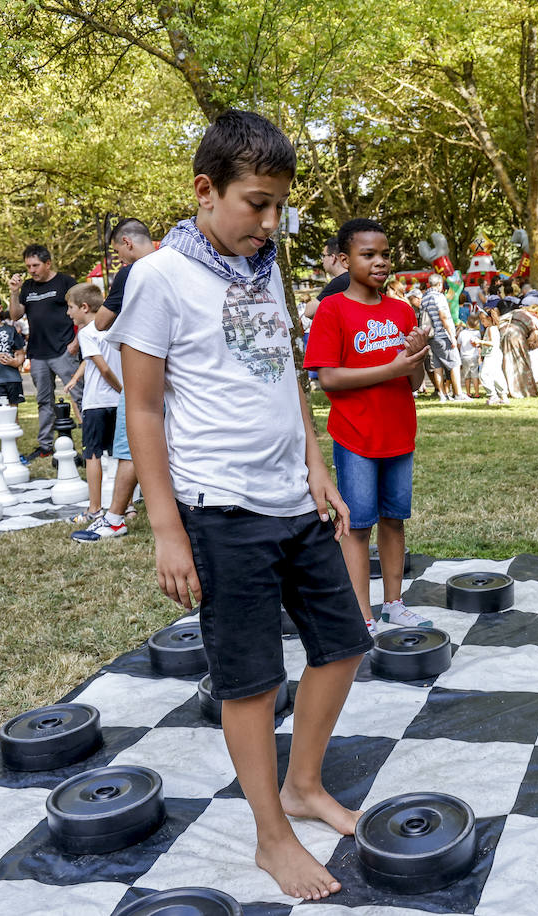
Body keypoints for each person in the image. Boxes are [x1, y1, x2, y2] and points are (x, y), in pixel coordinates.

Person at [107, 110, 369, 901]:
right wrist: (165, 529)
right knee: (251, 681)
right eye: (256, 203)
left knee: (344, 641)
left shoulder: (265, 265)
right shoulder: (157, 277)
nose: (271, 220)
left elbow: (284, 370)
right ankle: (271, 835)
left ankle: (304, 784)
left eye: (280, 205)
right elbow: (142, 411)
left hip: (292, 496)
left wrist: (315, 465)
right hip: (219, 511)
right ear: (204, 190)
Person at [306, 217, 433, 635]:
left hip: (399, 434)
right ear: (344, 260)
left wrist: (418, 357)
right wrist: (391, 365)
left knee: (394, 520)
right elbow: (328, 379)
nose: (380, 263)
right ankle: (362, 616)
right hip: (356, 438)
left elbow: (413, 382)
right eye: (368, 255)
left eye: (385, 255)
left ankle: (394, 603)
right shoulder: (332, 309)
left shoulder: (400, 310)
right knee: (357, 527)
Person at [74, 218, 153, 542]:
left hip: (141, 374)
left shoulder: (132, 272)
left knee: (128, 447)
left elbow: (103, 321)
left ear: (127, 241)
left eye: (117, 250)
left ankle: (115, 517)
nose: (118, 258)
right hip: (178, 370)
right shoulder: (177, 261)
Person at [9, 243, 80, 460]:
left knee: (79, 396)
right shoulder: (28, 287)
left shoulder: (66, 282)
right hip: (38, 353)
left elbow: (85, 311)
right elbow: (15, 315)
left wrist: (76, 342)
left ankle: (91, 441)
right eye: (28, 266)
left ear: (48, 263)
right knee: (44, 401)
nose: (31, 270)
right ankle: (46, 446)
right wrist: (14, 292)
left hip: (64, 350)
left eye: (36, 265)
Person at [63, 283, 122, 526]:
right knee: (119, 455)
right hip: (118, 403)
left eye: (71, 308)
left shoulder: (87, 333)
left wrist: (122, 389)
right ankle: (126, 507)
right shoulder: (116, 327)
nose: (69, 313)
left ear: (84, 307)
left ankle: (95, 508)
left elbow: (103, 367)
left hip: (97, 402)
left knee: (93, 455)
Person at [421, 273, 467, 401]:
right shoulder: (439, 296)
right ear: (440, 284)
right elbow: (443, 316)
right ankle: (458, 394)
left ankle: (442, 394)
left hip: (431, 336)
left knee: (437, 366)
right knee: (455, 363)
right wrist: (452, 336)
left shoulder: (424, 298)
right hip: (442, 334)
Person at [477, 309, 509, 405]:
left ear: (489, 318)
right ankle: (504, 396)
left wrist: (480, 341)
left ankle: (492, 395)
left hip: (492, 355)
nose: (482, 323)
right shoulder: (490, 328)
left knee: (484, 374)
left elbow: (492, 343)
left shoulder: (491, 329)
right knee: (496, 375)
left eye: (483, 320)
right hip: (494, 354)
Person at [458, 314, 482, 398]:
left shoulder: (462, 333)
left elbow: (459, 344)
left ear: (467, 323)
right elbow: (478, 344)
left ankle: (468, 392)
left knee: (466, 376)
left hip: (464, 356)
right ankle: (476, 392)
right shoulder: (477, 333)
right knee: (475, 375)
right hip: (474, 356)